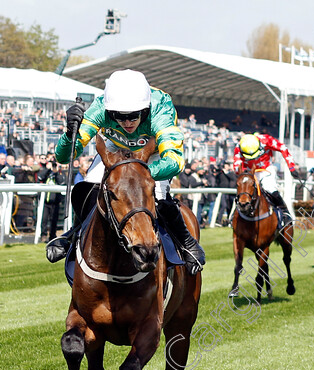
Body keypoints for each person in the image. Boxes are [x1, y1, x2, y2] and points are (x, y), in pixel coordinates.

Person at [47, 69, 205, 274]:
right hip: (114, 148)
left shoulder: (161, 107)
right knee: (88, 186)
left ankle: (186, 242)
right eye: (119, 117)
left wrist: (139, 175)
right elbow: (63, 157)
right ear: (109, 110)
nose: (127, 122)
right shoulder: (99, 108)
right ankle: (74, 232)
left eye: (133, 116)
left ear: (145, 109)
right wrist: (69, 133)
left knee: (157, 194)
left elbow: (174, 161)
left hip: (152, 154)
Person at [233, 132, 300, 228]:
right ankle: (235, 216)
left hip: (266, 169)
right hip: (249, 171)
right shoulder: (238, 147)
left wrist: (291, 167)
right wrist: (243, 173)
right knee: (243, 190)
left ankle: (285, 212)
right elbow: (236, 166)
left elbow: (283, 148)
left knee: (270, 188)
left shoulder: (266, 140)